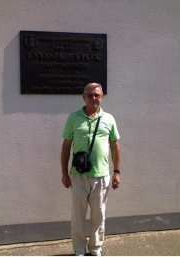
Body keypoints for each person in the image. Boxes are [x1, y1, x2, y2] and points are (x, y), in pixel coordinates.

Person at [61, 82, 121, 256]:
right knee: (78, 216)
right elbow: (66, 146)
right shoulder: (73, 118)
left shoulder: (109, 119)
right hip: (78, 176)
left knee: (99, 215)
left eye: (96, 95)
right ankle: (79, 250)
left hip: (101, 176)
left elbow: (115, 146)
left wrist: (117, 171)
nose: (93, 98)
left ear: (101, 97)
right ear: (84, 97)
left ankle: (95, 249)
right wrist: (64, 173)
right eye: (89, 95)